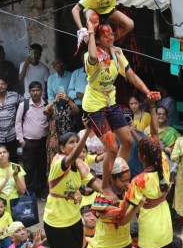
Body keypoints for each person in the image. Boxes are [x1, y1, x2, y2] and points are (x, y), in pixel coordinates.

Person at [82, 20, 160, 193]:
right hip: (94, 107)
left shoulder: (116, 54)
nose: (111, 37)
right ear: (98, 37)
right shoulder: (90, 56)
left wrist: (147, 92)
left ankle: (116, 175)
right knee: (112, 148)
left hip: (110, 103)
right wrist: (90, 31)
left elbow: (131, 75)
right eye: (105, 35)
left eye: (112, 34)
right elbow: (94, 56)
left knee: (128, 141)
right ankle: (105, 186)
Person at [43, 129, 103, 248]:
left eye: (77, 141)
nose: (76, 145)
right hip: (56, 221)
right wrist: (87, 132)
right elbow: (73, 155)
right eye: (72, 142)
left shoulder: (80, 165)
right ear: (62, 149)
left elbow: (93, 183)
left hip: (74, 219)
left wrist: (108, 193)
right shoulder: (58, 164)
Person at [120, 137, 174, 248]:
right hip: (166, 226)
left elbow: (124, 209)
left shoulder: (139, 180)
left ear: (141, 156)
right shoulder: (164, 165)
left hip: (150, 231)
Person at [15, 81, 49, 199]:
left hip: (42, 142)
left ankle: (40, 191)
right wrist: (20, 139)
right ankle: (29, 192)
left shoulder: (47, 104)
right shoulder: (23, 105)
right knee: (28, 169)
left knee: (41, 167)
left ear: (41, 91)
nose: (35, 93)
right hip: (28, 142)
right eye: (33, 91)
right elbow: (18, 122)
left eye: (37, 90)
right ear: (29, 92)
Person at [44, 89, 78, 173]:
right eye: (59, 95)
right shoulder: (53, 107)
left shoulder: (69, 106)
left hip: (68, 140)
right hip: (55, 140)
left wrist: (68, 100)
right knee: (54, 163)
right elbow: (45, 111)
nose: (61, 97)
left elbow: (76, 110)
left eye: (62, 95)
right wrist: (54, 101)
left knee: (69, 162)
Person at [67, 51, 88, 130]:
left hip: (94, 108)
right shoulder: (76, 73)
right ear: (81, 59)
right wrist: (77, 94)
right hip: (79, 108)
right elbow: (69, 91)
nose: (85, 59)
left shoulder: (97, 72)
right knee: (80, 132)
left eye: (88, 56)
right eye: (83, 57)